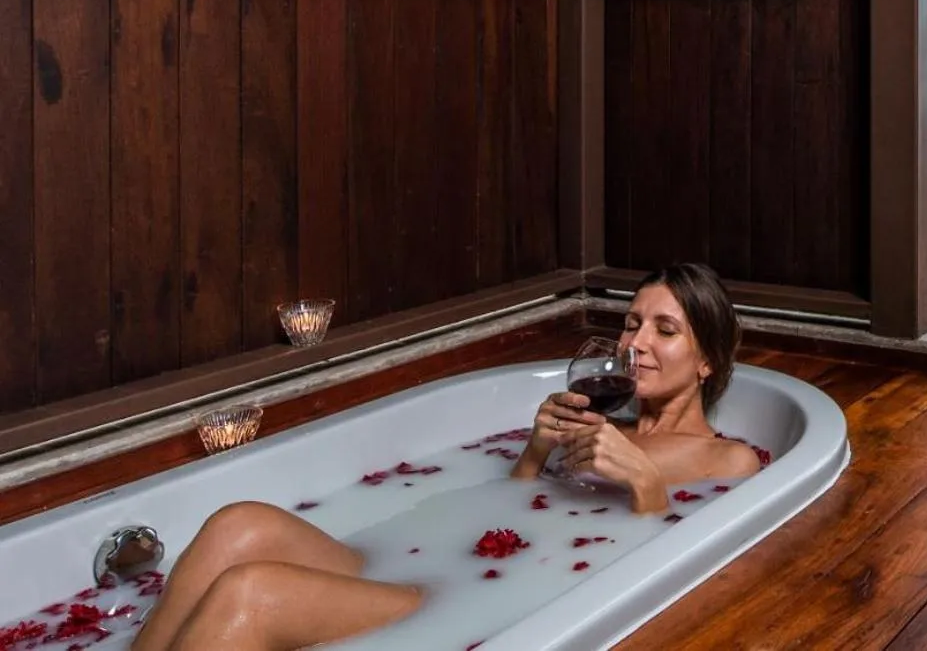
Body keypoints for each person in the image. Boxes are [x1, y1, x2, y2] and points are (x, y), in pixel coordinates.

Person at [131, 263, 757, 651]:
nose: (636, 343)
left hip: (465, 603)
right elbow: (512, 501)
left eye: (665, 331)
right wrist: (535, 453)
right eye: (630, 324)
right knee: (238, 524)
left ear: (708, 361)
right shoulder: (596, 422)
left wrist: (647, 487)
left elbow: (674, 575)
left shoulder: (727, 462)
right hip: (429, 567)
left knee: (250, 593)